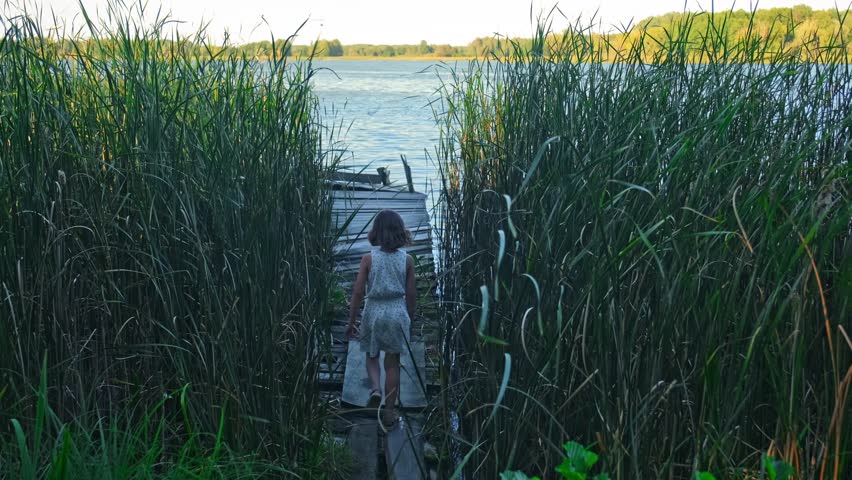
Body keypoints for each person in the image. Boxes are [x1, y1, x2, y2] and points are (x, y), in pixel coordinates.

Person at [346, 209, 416, 429]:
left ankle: (375, 389)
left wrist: (351, 321)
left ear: (376, 232)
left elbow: (358, 292)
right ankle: (389, 412)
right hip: (397, 312)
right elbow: (412, 295)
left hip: (374, 311)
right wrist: (410, 319)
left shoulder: (368, 258)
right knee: (392, 364)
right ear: (400, 233)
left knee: (371, 354)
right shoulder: (407, 260)